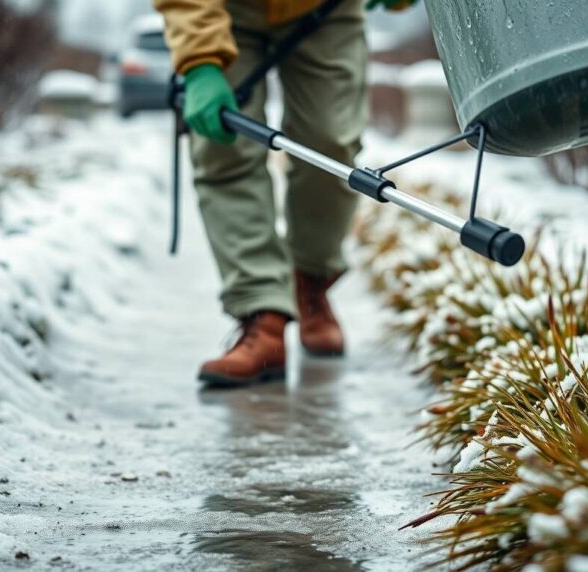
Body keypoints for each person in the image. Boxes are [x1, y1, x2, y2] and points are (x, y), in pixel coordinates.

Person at [154, 0, 416, 386]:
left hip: (326, 8)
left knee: (331, 146)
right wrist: (201, 60)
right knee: (225, 149)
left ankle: (309, 281)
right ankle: (264, 317)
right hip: (224, 12)